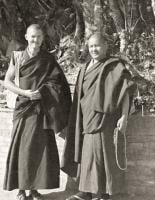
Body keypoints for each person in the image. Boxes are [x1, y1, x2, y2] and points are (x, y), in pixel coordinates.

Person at [61, 33, 136, 200]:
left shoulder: (114, 66)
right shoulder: (85, 67)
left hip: (105, 120)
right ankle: (86, 191)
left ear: (106, 46)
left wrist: (124, 116)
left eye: (97, 46)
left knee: (103, 156)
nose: (94, 49)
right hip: (86, 118)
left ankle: (102, 193)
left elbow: (125, 93)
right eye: (91, 46)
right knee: (87, 156)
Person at [3, 24, 72, 200]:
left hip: (42, 110)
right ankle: (21, 189)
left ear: (43, 38)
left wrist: (44, 92)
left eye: (39, 37)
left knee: (39, 150)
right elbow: (7, 82)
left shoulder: (47, 59)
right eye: (33, 36)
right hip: (24, 108)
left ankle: (33, 189)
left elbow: (59, 83)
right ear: (26, 37)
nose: (36, 40)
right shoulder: (17, 57)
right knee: (22, 149)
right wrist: (25, 93)